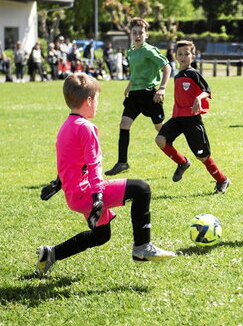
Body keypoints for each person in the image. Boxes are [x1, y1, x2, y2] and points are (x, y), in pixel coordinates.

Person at [34, 72, 175, 277]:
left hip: (75, 194)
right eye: (97, 99)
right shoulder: (86, 128)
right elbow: (94, 164)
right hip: (87, 194)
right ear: (89, 100)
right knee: (141, 189)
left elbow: (67, 161)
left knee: (101, 236)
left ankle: (51, 254)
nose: (98, 104)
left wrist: (57, 184)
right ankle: (142, 247)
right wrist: (98, 196)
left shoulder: (66, 126)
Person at [155, 40, 230, 194]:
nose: (183, 57)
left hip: (192, 120)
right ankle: (182, 163)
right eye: (180, 54)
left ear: (193, 56)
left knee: (203, 157)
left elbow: (207, 90)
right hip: (177, 118)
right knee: (160, 140)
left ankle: (222, 180)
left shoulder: (193, 73)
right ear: (176, 56)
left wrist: (199, 98)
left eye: (186, 54)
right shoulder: (177, 75)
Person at [105, 18, 171, 176]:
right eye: (134, 33)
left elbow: (167, 67)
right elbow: (134, 72)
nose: (137, 35)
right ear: (131, 34)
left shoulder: (149, 50)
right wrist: (129, 85)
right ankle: (122, 163)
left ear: (146, 34)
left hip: (150, 94)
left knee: (160, 129)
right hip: (135, 95)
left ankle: (180, 160)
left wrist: (162, 88)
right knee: (124, 124)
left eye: (140, 33)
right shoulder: (130, 51)